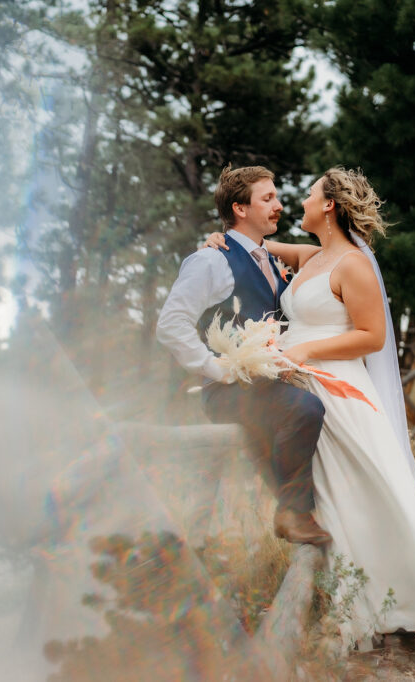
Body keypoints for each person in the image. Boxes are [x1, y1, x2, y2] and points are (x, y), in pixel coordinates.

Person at [202, 167, 415, 682]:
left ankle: (394, 601)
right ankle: (354, 602)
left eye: (311, 194)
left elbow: (370, 336)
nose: (300, 201)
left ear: (330, 206)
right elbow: (254, 253)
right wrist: (217, 241)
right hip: (306, 382)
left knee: (374, 493)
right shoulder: (312, 256)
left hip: (339, 387)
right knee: (339, 494)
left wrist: (305, 349)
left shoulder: (353, 264)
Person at [156, 165, 331, 545]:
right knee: (305, 409)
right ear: (240, 208)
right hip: (228, 391)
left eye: (278, 197)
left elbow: (326, 259)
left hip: (268, 388)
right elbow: (171, 323)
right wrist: (215, 369)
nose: (279, 205)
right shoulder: (210, 261)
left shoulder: (270, 259)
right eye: (268, 198)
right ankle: (294, 513)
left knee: (315, 408)